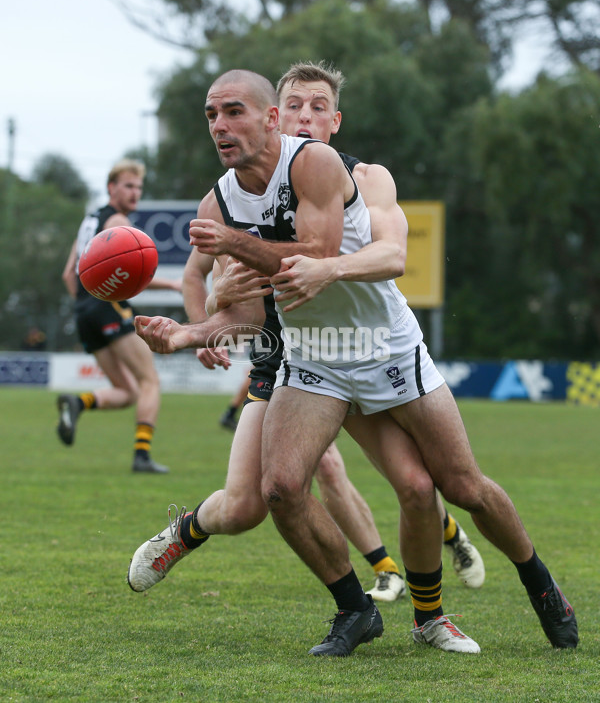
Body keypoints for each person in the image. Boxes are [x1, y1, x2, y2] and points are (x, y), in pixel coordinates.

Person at [132, 68, 577, 656]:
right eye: (297, 105)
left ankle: (536, 583)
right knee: (273, 492)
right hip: (306, 355)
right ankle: (356, 609)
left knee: (451, 485)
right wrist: (191, 333)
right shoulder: (223, 199)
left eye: (320, 107)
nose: (307, 117)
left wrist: (315, 266)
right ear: (279, 115)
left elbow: (378, 254)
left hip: (381, 347)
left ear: (331, 122)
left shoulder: (349, 174)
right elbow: (236, 308)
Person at [179, 245, 408, 601]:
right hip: (277, 360)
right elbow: (197, 276)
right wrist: (205, 323)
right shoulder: (220, 204)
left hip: (336, 349)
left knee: (406, 471)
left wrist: (210, 314)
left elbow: (334, 255)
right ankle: (184, 531)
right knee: (245, 508)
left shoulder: (308, 198)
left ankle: (414, 553)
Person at [57, 158, 181, 474]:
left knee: (127, 391)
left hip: (84, 312)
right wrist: (172, 284)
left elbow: (69, 275)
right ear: (111, 187)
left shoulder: (90, 220)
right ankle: (142, 456)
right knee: (149, 380)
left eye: (139, 187)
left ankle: (78, 402)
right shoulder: (117, 221)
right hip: (104, 305)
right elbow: (129, 271)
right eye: (128, 185)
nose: (135, 192)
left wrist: (85, 306)